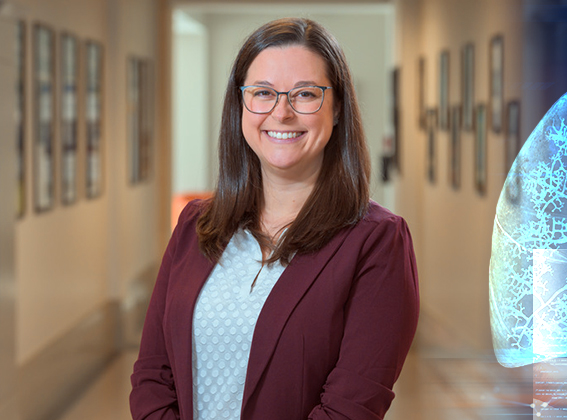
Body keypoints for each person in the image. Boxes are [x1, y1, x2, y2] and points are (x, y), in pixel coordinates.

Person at [130, 17, 419, 420]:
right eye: (263, 93)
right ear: (240, 105)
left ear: (337, 108)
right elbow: (152, 375)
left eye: (305, 94)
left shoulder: (377, 241)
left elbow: (351, 407)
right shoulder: (196, 225)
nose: (281, 112)